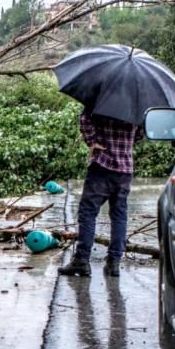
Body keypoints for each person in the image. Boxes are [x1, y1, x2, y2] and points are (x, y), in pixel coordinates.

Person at [59, 104, 142, 278]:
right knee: (119, 215)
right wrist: (126, 145)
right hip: (125, 169)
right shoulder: (137, 105)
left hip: (102, 166)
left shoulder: (101, 98)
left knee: (88, 213)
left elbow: (84, 119)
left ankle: (82, 261)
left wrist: (93, 142)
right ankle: (113, 264)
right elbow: (140, 133)